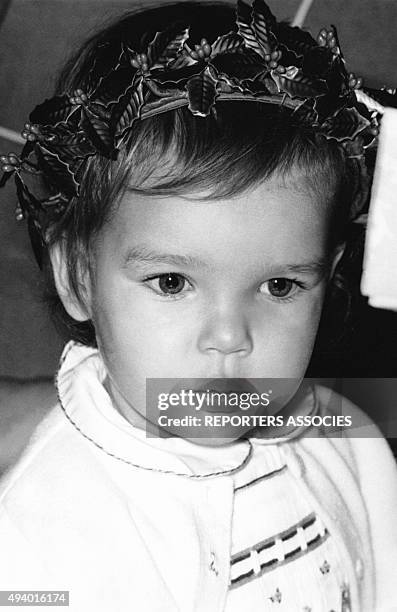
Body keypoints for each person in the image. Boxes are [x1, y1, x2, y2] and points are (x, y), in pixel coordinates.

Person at [0, 1, 396, 610]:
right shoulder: (36, 539)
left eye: (280, 286)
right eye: (172, 283)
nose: (230, 336)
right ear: (78, 275)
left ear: (330, 275)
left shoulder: (349, 442)